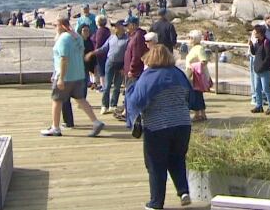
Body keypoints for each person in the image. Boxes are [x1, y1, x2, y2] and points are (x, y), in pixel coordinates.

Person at [125, 45, 192, 210]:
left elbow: (136, 101)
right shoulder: (179, 74)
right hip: (183, 123)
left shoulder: (149, 77)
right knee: (177, 158)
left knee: (155, 164)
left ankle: (156, 203)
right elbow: (190, 95)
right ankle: (183, 191)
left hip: (158, 126)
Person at [41, 17, 105, 137]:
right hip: (79, 74)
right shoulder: (77, 37)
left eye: (56, 25)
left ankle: (55, 127)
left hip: (66, 76)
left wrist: (60, 77)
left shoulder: (63, 39)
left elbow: (64, 59)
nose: (55, 28)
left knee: (57, 100)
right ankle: (96, 122)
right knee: (80, 99)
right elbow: (80, 54)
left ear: (61, 26)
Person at [87, 20, 128, 114]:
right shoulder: (111, 37)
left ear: (122, 27)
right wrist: (92, 53)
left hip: (121, 64)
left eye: (116, 26)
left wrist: (124, 67)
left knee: (117, 86)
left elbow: (127, 54)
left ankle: (113, 105)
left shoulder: (127, 39)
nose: (114, 28)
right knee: (107, 85)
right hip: (110, 62)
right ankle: (104, 105)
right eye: (114, 26)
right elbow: (104, 48)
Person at [249, 25, 270, 115]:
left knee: (266, 89)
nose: (254, 33)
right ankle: (259, 106)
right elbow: (254, 53)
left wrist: (262, 66)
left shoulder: (266, 42)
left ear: (260, 33)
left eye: (256, 32)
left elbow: (268, 57)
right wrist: (251, 46)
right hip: (257, 70)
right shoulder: (258, 42)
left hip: (264, 70)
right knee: (257, 88)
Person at [185, 30, 208, 121]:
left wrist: (193, 67)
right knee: (198, 94)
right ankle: (202, 113)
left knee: (195, 94)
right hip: (193, 74)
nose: (189, 40)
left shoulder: (199, 48)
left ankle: (198, 114)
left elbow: (204, 61)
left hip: (195, 75)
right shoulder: (195, 48)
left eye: (190, 38)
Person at [93, 16, 111, 92]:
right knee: (103, 70)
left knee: (101, 70)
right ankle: (103, 85)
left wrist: (95, 52)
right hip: (106, 52)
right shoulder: (107, 30)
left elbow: (99, 43)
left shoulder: (100, 31)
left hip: (100, 53)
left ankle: (104, 87)